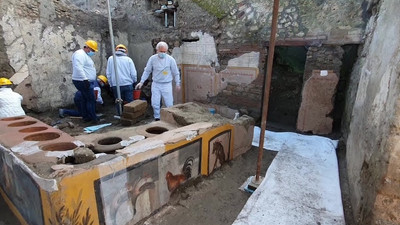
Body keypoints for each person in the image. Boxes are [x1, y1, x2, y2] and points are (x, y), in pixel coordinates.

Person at [135, 41, 180, 121]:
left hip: (167, 84)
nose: (163, 53)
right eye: (161, 51)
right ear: (157, 50)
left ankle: (171, 118)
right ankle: (157, 118)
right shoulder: (152, 59)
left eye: (164, 51)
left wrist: (177, 83)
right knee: (155, 103)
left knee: (169, 103)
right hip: (156, 84)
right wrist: (141, 82)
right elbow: (147, 71)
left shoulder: (170, 60)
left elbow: (175, 72)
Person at [71, 39, 99, 123]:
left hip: (83, 80)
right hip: (83, 81)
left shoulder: (84, 55)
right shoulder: (80, 54)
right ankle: (93, 118)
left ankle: (86, 117)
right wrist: (85, 79)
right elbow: (78, 67)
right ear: (88, 48)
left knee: (84, 99)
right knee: (91, 99)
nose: (93, 52)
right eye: (93, 50)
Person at [106, 44, 137, 114]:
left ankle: (120, 115)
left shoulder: (111, 59)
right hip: (127, 84)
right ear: (125, 51)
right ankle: (131, 116)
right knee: (130, 103)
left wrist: (111, 84)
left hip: (115, 84)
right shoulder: (128, 60)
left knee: (118, 102)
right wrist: (134, 81)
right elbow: (133, 73)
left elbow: (108, 73)